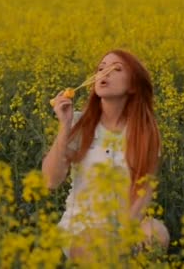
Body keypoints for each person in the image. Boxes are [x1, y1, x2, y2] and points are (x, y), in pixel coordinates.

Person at [42, 49, 170, 260]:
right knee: (98, 245)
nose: (104, 73)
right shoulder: (77, 123)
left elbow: (143, 191)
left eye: (116, 69)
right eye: (101, 68)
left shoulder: (145, 132)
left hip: (127, 224)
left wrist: (123, 235)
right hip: (82, 227)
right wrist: (64, 127)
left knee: (157, 234)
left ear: (133, 85)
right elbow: (50, 181)